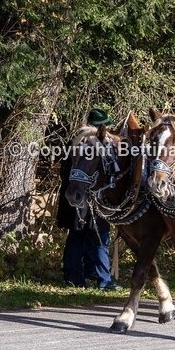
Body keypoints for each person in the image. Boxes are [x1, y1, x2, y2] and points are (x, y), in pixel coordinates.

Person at [58, 108, 118, 290]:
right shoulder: (98, 144)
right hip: (88, 198)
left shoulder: (76, 141)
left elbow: (64, 171)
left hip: (74, 196)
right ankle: (103, 281)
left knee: (77, 238)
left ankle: (75, 277)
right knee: (99, 238)